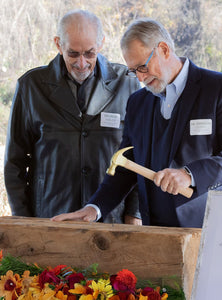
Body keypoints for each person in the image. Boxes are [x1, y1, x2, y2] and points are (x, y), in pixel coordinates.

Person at [52, 18, 222, 228]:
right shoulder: (138, 103)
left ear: (164, 49)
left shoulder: (219, 88)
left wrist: (190, 175)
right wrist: (94, 208)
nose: (140, 78)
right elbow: (126, 165)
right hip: (158, 230)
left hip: (214, 225)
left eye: (143, 66)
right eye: (133, 71)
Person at [4, 10, 142, 225]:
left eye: (89, 53)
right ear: (58, 44)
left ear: (102, 44)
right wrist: (23, 220)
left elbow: (139, 154)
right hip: (51, 216)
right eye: (73, 54)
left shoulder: (127, 82)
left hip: (110, 216)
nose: (82, 63)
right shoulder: (31, 86)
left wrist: (135, 212)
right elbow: (15, 162)